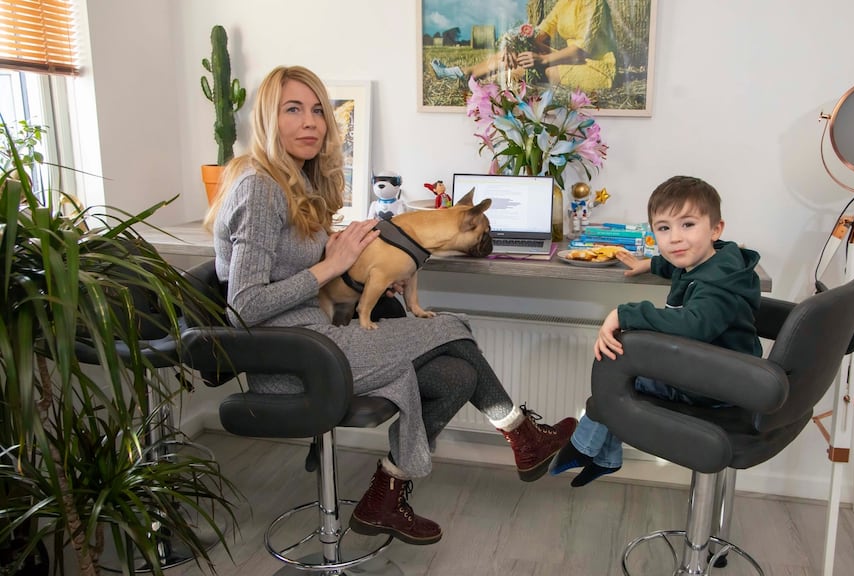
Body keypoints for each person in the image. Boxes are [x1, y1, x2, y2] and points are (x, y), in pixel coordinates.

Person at [203, 65, 576, 545]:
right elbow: (246, 305)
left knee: (457, 377)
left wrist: (357, 262)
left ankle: (385, 496)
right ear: (265, 119)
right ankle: (522, 437)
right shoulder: (259, 188)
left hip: (318, 339)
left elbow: (287, 264)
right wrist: (331, 265)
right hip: (293, 357)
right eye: (292, 109)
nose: (311, 122)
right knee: (453, 326)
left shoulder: (294, 182)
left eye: (318, 110)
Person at [550, 176, 762, 487]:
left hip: (717, 385)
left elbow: (692, 325)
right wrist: (650, 264)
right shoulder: (717, 261)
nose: (675, 238)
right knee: (617, 371)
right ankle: (600, 456)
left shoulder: (715, 288)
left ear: (716, 229)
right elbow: (678, 265)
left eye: (687, 225)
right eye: (664, 228)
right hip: (718, 370)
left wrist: (623, 313)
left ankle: (586, 449)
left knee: (615, 374)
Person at [431, 0, 618, 92]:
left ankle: (477, 85)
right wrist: (516, 45)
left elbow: (580, 51)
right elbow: (539, 33)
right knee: (515, 55)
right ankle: (463, 73)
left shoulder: (593, 2)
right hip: (570, 58)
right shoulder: (564, 2)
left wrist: (542, 58)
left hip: (593, 67)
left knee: (526, 70)